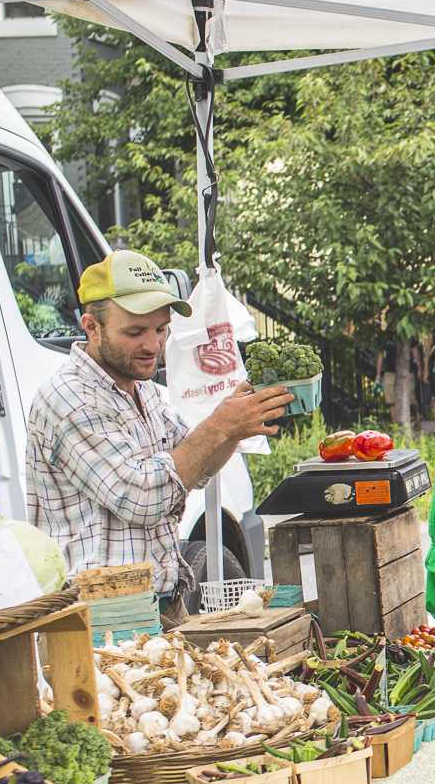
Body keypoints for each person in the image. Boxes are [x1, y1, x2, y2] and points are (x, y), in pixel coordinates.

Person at [26, 252, 291, 627]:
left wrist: (235, 425)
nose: (153, 345)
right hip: (100, 620)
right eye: (134, 332)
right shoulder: (70, 398)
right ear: (91, 326)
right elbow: (142, 496)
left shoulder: (142, 389)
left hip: (161, 604)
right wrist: (218, 426)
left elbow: (196, 468)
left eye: (161, 329)